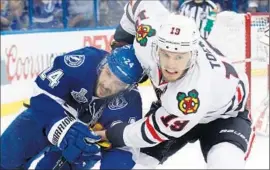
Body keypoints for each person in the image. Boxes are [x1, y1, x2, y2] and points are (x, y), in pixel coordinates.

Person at [96, 1, 253, 168]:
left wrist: (111, 134)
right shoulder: (147, 37)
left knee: (225, 163)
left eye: (179, 57)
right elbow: (139, 4)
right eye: (166, 54)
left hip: (225, 117)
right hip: (171, 109)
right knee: (138, 164)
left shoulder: (194, 89)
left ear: (193, 55)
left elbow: (149, 131)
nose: (170, 65)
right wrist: (122, 43)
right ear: (156, 47)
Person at [0, 45, 145, 169]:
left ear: (129, 87)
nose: (107, 85)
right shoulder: (84, 61)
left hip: (81, 144)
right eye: (108, 73)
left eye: (118, 84)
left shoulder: (130, 100)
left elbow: (125, 146)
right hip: (46, 118)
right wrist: (59, 125)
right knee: (7, 156)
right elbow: (43, 93)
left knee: (81, 151)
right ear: (103, 64)